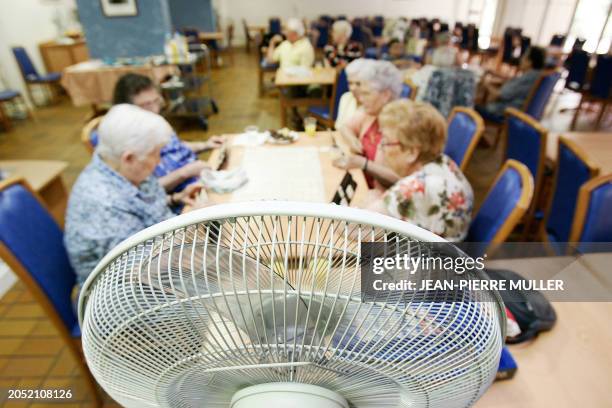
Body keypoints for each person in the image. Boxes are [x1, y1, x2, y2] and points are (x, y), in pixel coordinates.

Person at [65, 104, 207, 284]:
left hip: (163, 255)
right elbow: (145, 271)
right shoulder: (102, 204)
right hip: (129, 293)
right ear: (129, 158)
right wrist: (196, 224)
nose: (159, 160)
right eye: (155, 153)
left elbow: (140, 205)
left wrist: (175, 198)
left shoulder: (119, 167)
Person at [367, 100, 473, 241]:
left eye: (386, 142)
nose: (381, 148)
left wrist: (371, 198)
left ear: (412, 152)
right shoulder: (444, 162)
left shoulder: (415, 188)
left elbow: (352, 230)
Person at [110, 73, 224, 193]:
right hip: (182, 195)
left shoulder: (154, 122)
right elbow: (142, 192)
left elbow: (175, 146)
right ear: (126, 109)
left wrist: (205, 145)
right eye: (146, 105)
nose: (155, 110)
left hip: (199, 179)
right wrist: (184, 173)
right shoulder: (126, 141)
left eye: (156, 101)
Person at [334, 60, 403, 188]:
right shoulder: (370, 113)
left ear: (385, 95)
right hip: (361, 183)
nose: (360, 99)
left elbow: (400, 181)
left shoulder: (400, 126)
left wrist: (364, 164)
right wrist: (353, 140)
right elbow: (345, 127)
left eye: (366, 94)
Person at [475, 46, 546, 121]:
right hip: (516, 110)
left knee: (470, 106)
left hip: (504, 112)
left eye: (524, 57)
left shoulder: (527, 78)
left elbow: (498, 94)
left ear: (530, 62)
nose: (521, 60)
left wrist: (485, 83)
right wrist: (496, 74)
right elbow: (515, 83)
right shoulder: (536, 75)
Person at [334, 58, 372, 129]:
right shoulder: (346, 97)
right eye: (350, 83)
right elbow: (338, 126)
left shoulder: (374, 105)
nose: (353, 88)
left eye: (358, 83)